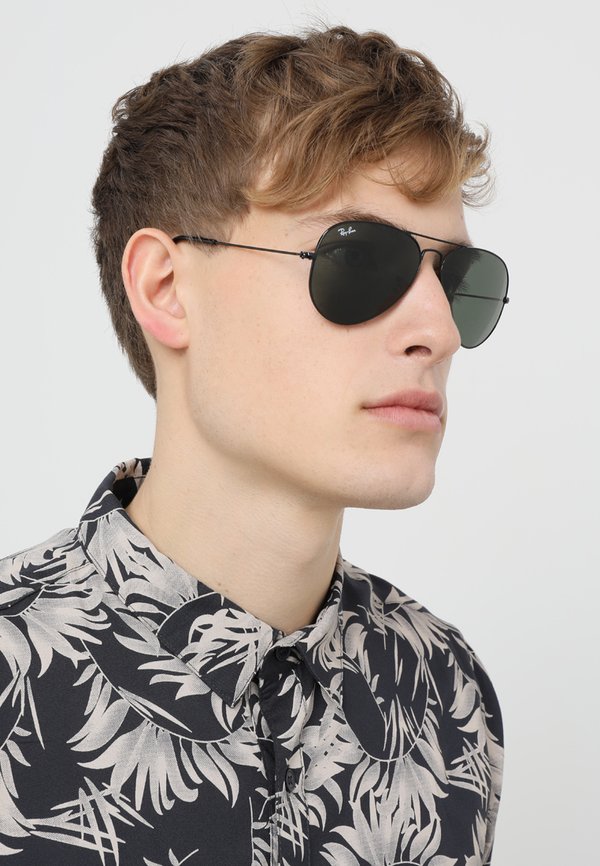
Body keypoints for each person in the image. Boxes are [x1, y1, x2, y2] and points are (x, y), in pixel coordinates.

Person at [0, 23, 508, 866]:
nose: (439, 329)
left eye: (457, 280)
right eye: (359, 260)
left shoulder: (446, 697)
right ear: (167, 287)